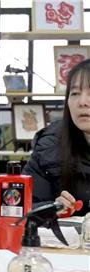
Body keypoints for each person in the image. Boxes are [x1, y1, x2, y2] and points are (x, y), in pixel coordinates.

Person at [24, 59, 90, 216]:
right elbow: (23, 206)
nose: (82, 102)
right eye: (75, 93)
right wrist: (53, 208)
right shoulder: (49, 145)